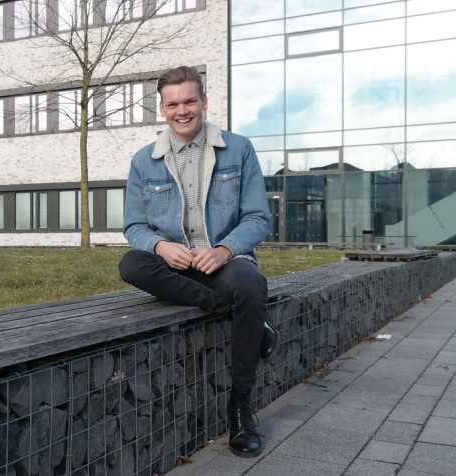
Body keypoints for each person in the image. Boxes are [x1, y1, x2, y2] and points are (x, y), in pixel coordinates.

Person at [118, 65, 278, 458]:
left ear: (204, 102)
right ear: (162, 108)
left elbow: (258, 217)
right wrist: (159, 247)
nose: (182, 110)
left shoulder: (237, 148)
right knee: (131, 264)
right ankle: (249, 322)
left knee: (249, 285)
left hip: (226, 260)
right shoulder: (144, 160)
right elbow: (134, 226)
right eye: (172, 104)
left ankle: (240, 408)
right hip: (177, 266)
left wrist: (223, 249)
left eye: (190, 100)